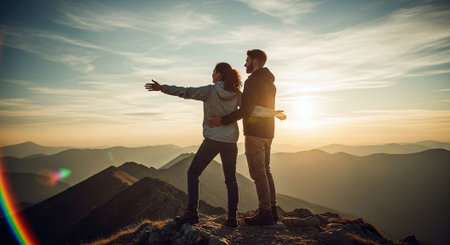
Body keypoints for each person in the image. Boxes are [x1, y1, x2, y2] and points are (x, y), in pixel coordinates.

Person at [145, 62, 285, 227]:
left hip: (212, 141)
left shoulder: (209, 91)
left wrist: (162, 88)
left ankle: (192, 213)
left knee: (193, 173)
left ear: (218, 75)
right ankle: (232, 219)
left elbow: (185, 91)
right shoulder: (237, 94)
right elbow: (252, 109)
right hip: (231, 143)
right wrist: (272, 113)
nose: (212, 75)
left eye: (213, 72)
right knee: (231, 180)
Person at [208, 50, 279, 225]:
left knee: (258, 173)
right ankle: (272, 210)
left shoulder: (252, 81)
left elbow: (246, 109)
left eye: (247, 61)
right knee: (266, 171)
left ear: (255, 61)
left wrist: (223, 120)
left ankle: (265, 213)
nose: (245, 64)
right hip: (269, 132)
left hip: (255, 132)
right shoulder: (271, 83)